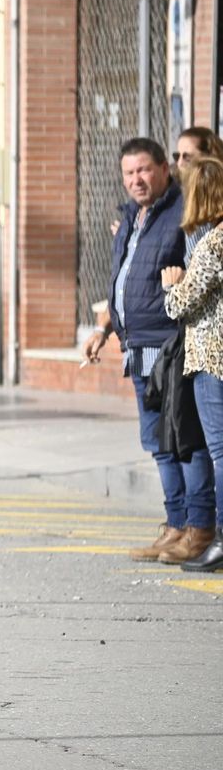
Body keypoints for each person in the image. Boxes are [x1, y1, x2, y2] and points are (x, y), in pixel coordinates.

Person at [84, 138, 215, 562]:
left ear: (164, 169)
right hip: (136, 348)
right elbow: (124, 283)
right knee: (158, 443)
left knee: (184, 440)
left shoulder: (181, 213)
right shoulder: (131, 219)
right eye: (129, 173)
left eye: (144, 170)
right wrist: (104, 328)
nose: (136, 179)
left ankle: (198, 528)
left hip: (171, 345)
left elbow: (192, 274)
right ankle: (175, 525)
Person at [162, 155, 223, 572]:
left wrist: (172, 285)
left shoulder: (214, 243)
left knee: (220, 451)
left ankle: (219, 537)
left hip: (211, 358)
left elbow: (182, 303)